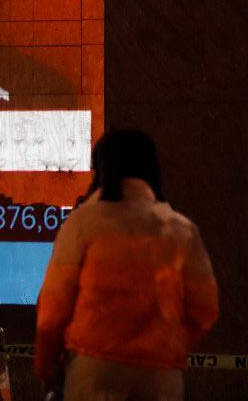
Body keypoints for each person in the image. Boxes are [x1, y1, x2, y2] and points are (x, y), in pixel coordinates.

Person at [35, 129, 219, 400]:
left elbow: (53, 307)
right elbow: (205, 309)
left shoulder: (82, 223)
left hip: (94, 369)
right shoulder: (182, 230)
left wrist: (46, 366)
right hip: (161, 377)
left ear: (101, 168)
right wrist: (168, 346)